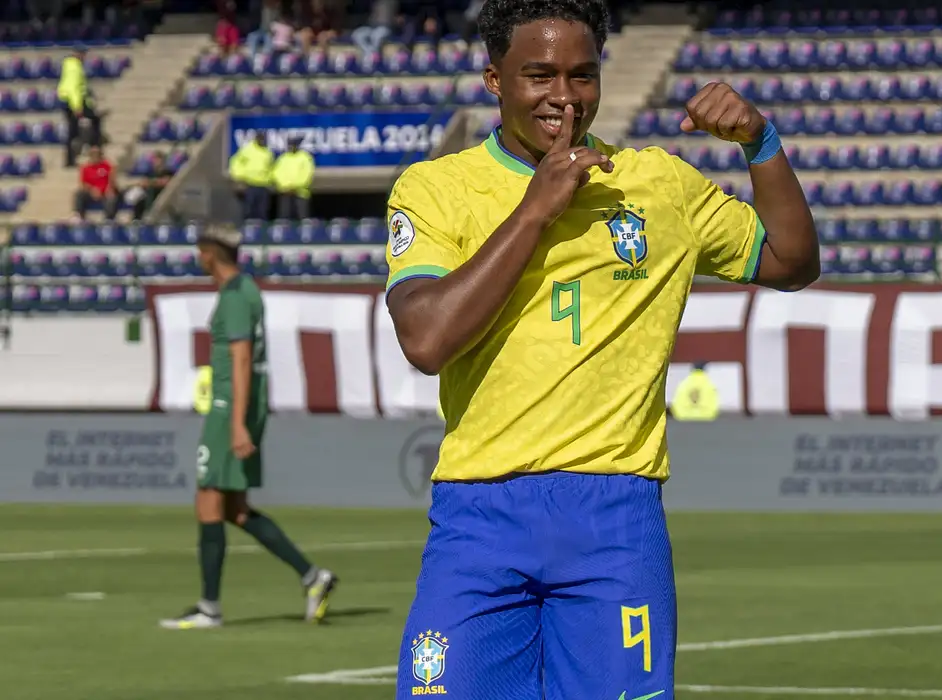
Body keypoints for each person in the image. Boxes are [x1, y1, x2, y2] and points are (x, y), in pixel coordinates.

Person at [382, 0, 819, 696]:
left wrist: (760, 144)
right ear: (495, 80)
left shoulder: (658, 185)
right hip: (478, 516)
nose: (564, 96)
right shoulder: (437, 187)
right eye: (540, 76)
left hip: (613, 517)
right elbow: (425, 339)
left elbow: (792, 262)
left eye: (582, 75)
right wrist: (535, 210)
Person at [160, 224, 339, 630]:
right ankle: (313, 577)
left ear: (210, 253)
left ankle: (209, 608)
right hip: (241, 406)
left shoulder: (235, 298)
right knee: (235, 509)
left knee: (208, 500)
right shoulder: (246, 291)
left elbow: (241, 360)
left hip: (230, 409)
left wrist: (237, 423)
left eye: (201, 251)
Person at [58, 46, 103, 167]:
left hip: (72, 101)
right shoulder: (74, 67)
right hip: (74, 102)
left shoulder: (70, 65)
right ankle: (93, 149)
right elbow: (73, 88)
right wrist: (77, 106)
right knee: (78, 129)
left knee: (74, 130)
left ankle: (71, 159)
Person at [228, 133, 274, 222]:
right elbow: (235, 162)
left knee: (262, 211)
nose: (261, 141)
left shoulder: (268, 152)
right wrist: (240, 176)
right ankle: (248, 228)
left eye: (263, 139)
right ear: (256, 139)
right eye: (260, 138)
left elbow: (271, 168)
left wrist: (270, 180)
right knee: (249, 210)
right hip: (250, 184)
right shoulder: (247, 150)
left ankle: (261, 229)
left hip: (264, 186)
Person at [272, 135, 314, 220]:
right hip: (285, 192)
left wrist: (295, 187)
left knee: (302, 218)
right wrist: (285, 186)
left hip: (300, 193)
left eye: (293, 145)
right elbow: (277, 173)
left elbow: (307, 174)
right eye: (290, 145)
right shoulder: (283, 158)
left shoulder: (305, 157)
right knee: (284, 218)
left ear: (297, 146)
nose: (291, 147)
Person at [72, 146, 117, 221]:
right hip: (91, 192)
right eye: (93, 155)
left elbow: (112, 180)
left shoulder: (107, 166)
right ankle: (79, 216)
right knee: (79, 194)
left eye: (97, 155)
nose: (95, 157)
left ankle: (109, 219)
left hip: (105, 192)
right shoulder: (85, 168)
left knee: (111, 197)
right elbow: (83, 183)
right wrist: (92, 190)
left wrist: (107, 189)